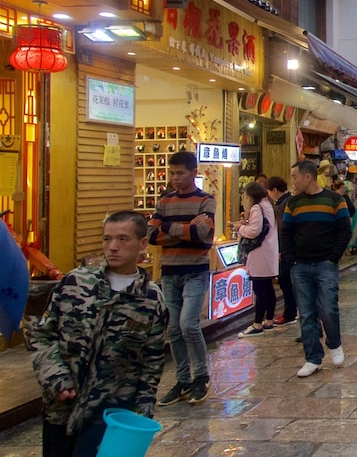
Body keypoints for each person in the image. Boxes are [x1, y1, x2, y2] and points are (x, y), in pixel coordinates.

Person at [29, 211, 167, 457]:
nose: (113, 247)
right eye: (107, 239)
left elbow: (152, 360)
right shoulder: (75, 282)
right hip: (61, 409)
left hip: (110, 414)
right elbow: (41, 335)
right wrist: (55, 377)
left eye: (123, 239)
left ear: (142, 243)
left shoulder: (150, 299)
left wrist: (143, 409)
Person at [151, 151, 216, 406]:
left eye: (180, 173)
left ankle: (201, 376)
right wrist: (185, 229)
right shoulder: (164, 201)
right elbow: (151, 236)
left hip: (195, 270)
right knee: (174, 329)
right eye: (172, 173)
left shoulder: (206, 200)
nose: (175, 178)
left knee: (188, 324)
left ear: (193, 173)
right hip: (169, 272)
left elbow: (202, 235)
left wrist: (167, 226)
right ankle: (182, 380)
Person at [281, 160, 352, 377]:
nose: (293, 181)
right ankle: (313, 358)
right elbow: (285, 232)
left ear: (307, 177)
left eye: (295, 177)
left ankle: (334, 342)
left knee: (328, 308)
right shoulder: (293, 203)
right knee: (306, 314)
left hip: (325, 265)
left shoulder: (335, 200)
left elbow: (345, 230)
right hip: (300, 266)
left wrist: (333, 258)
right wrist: (291, 259)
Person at [233, 182, 279, 337]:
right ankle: (269, 320)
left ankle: (257, 324)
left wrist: (239, 228)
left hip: (260, 254)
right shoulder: (268, 205)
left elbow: (254, 231)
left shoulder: (257, 207)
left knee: (260, 290)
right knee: (268, 288)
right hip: (269, 253)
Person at [265, 176, 297, 326]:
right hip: (288, 249)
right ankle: (292, 311)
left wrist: (281, 250)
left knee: (286, 282)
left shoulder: (284, 204)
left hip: (286, 250)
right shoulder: (287, 201)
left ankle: (290, 313)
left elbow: (283, 230)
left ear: (274, 190)